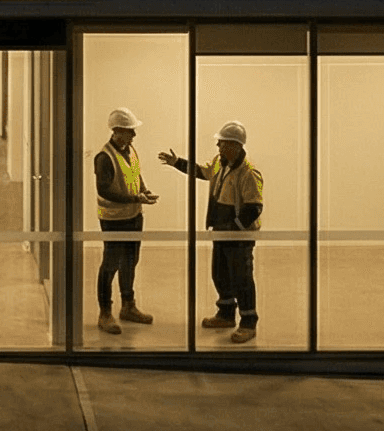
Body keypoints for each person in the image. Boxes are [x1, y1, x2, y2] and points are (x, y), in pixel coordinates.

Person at [161, 118, 263, 342]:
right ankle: (226, 313)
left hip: (238, 236)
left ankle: (248, 322)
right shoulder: (220, 162)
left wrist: (234, 228)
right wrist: (178, 162)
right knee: (221, 273)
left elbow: (254, 208)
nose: (218, 146)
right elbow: (202, 171)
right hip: (220, 231)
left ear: (235, 145)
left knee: (242, 278)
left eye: (222, 143)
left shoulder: (249, 172)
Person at [94, 107, 159, 333]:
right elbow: (104, 190)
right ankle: (105, 312)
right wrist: (134, 197)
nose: (134, 135)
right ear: (118, 131)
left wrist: (143, 190)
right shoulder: (104, 157)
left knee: (130, 261)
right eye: (130, 131)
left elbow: (134, 174)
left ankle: (128, 306)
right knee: (110, 264)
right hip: (114, 220)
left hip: (133, 216)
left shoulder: (130, 150)